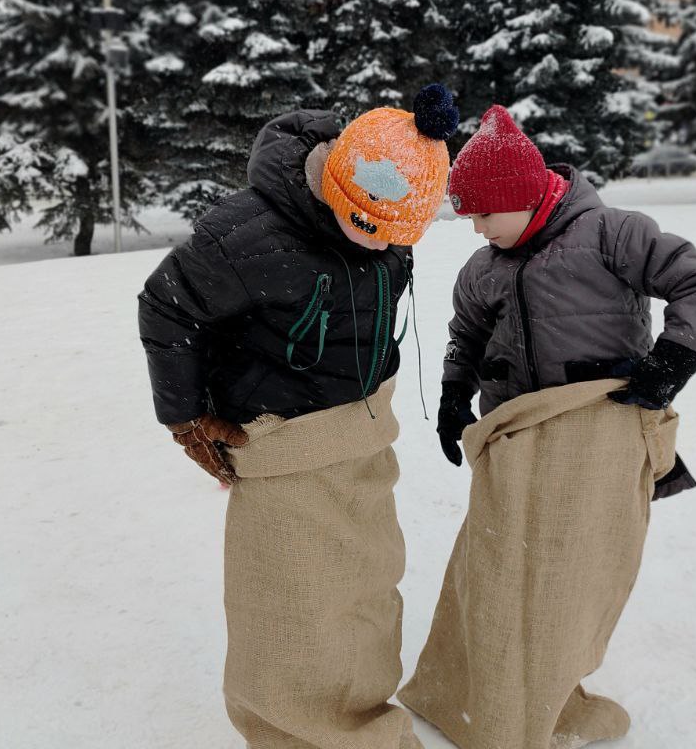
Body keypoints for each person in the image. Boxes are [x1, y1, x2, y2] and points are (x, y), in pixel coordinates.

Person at [137, 85, 459, 749]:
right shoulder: (244, 233)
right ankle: (298, 725)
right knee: (295, 602)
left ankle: (359, 702)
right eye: (365, 226)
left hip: (358, 431)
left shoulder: (389, 221)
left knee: (366, 585)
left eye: (395, 236)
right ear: (336, 180)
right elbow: (166, 308)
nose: (377, 245)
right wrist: (187, 414)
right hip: (281, 435)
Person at [436, 104, 696, 496]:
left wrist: (674, 360)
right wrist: (453, 394)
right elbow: (465, 336)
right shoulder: (483, 268)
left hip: (601, 428)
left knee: (585, 542)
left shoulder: (611, 234)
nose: (477, 229)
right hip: (518, 438)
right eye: (470, 217)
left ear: (521, 196)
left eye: (485, 213)